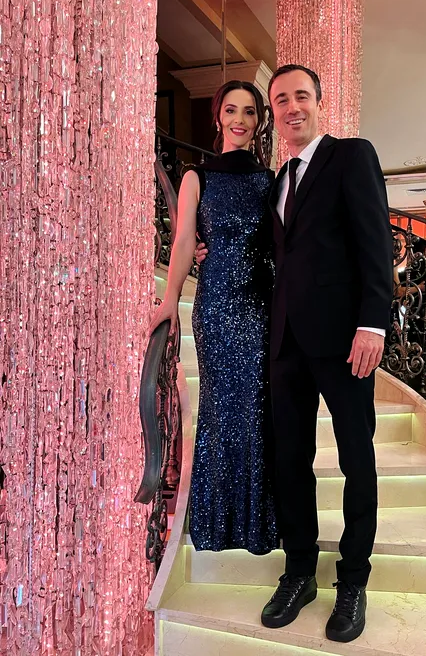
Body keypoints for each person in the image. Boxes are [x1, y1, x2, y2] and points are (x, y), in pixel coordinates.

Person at [196, 65, 393, 644]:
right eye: (280, 100)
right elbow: (267, 252)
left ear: (318, 102)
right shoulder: (277, 178)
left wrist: (372, 324)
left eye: (300, 96)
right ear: (273, 114)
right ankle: (300, 571)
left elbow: (375, 242)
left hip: (345, 341)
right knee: (290, 462)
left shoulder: (351, 155)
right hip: (283, 343)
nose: (290, 108)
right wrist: (212, 250)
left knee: (357, 459)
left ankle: (352, 581)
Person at [149, 80, 278, 555]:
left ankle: (256, 522)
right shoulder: (195, 177)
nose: (240, 119)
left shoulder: (269, 181)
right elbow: (184, 240)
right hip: (217, 307)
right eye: (231, 110)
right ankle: (217, 523)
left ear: (258, 121)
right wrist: (170, 298)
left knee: (257, 410)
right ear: (218, 117)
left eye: (249, 111)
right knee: (220, 410)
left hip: (261, 306)